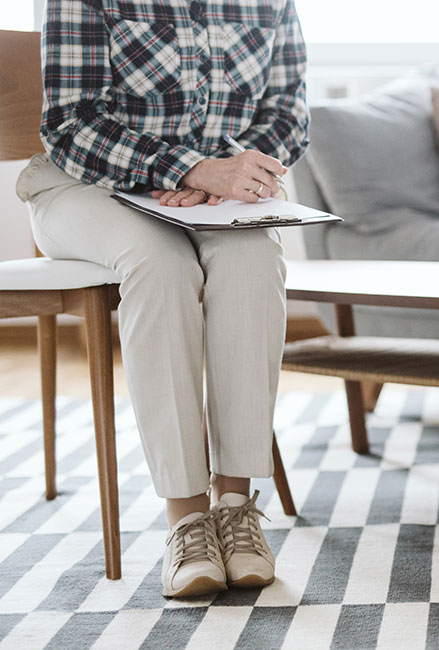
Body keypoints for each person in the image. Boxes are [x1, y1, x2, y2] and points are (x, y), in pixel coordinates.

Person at [17, 0, 309, 597]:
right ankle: (187, 518)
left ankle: (235, 506)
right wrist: (191, 169)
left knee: (254, 255)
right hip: (80, 186)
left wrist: (232, 175)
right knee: (161, 264)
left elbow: (287, 115)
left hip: (213, 192)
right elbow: (72, 126)